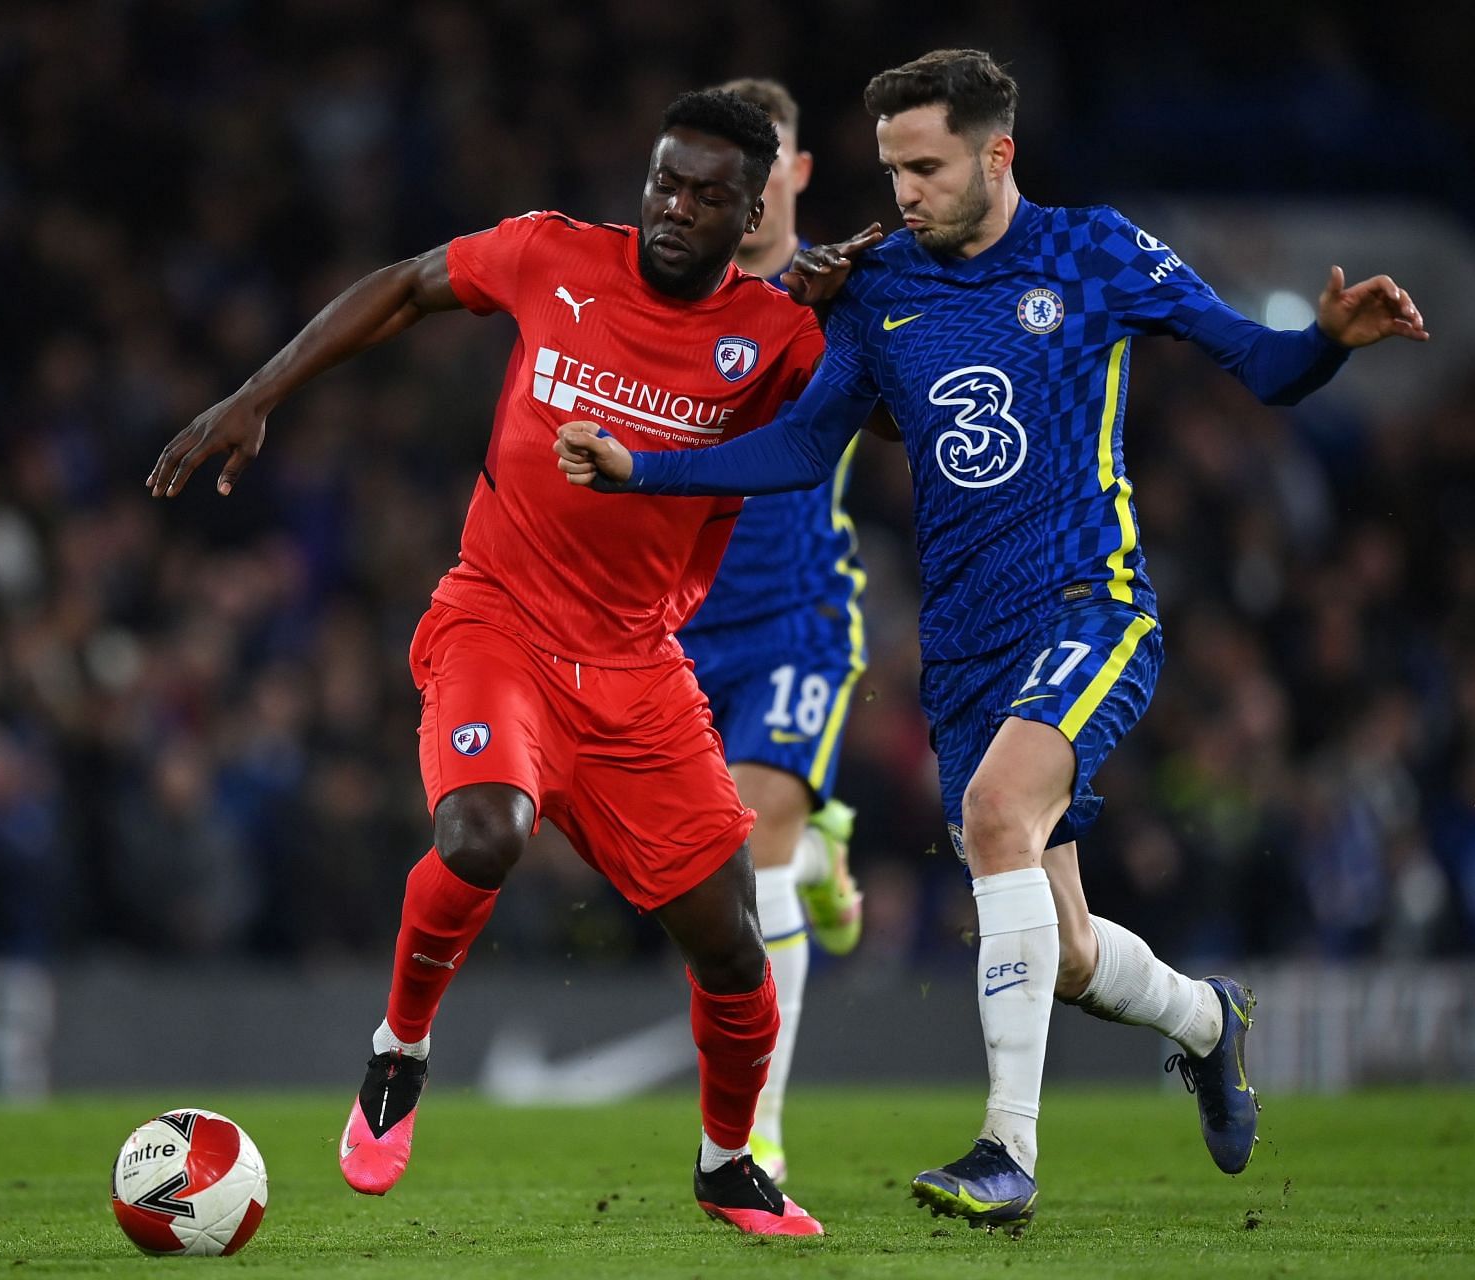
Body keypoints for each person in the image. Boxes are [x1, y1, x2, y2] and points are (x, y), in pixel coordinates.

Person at [556, 48, 1429, 1234]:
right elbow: (806, 449)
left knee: (997, 814)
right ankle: (1210, 1020)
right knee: (1064, 952)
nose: (904, 192)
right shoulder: (879, 287)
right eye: (891, 168)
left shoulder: (1096, 252)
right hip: (965, 648)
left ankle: (1004, 1149)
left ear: (997, 153)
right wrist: (646, 471)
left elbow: (1259, 364)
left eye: (926, 165)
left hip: (1089, 604)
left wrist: (1325, 337)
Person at [148, 90, 837, 1237]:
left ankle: (726, 1164)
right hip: (497, 622)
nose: (676, 207)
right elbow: (411, 284)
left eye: (709, 193)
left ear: (754, 207)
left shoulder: (779, 335)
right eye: (666, 181)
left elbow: (890, 417)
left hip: (635, 667)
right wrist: (258, 392)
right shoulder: (553, 253)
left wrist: (869, 296)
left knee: (732, 943)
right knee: (483, 830)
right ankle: (399, 1050)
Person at [677, 77, 866, 1187]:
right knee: (715, 885)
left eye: (771, 159)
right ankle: (829, 856)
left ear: (792, 174)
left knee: (754, 845)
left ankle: (755, 1133)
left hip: (797, 619)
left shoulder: (836, 290)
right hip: (678, 630)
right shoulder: (674, 288)